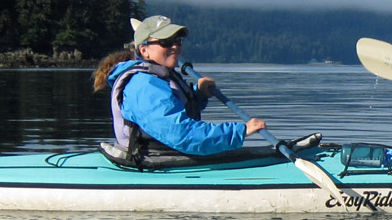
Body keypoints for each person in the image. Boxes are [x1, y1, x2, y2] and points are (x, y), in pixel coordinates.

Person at [94, 16, 269, 167]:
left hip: (166, 152)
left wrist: (198, 95)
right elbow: (181, 134)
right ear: (144, 51)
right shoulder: (143, 85)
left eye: (178, 41)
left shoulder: (158, 77)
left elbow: (173, 108)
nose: (176, 47)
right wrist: (240, 131)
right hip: (150, 161)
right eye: (166, 43)